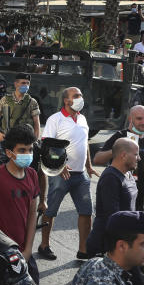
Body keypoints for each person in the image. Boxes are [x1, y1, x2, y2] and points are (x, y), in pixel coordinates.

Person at [39, 87, 98, 261]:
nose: (81, 98)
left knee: (86, 212)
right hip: (60, 174)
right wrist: (60, 165)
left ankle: (83, 250)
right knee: (50, 211)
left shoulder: (82, 118)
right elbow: (47, 146)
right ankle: (44, 245)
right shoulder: (55, 119)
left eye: (81, 95)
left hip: (81, 175)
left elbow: (84, 142)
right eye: (76, 96)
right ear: (66, 101)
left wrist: (89, 165)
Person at [0, 124, 41, 282]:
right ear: (8, 152)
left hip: (22, 252)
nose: (27, 154)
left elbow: (32, 215)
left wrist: (27, 250)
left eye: (30, 150)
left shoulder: (32, 175)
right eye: (22, 150)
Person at [92, 105, 144, 211]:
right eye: (139, 118)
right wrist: (120, 148)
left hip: (142, 200)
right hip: (122, 196)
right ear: (130, 119)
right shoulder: (120, 136)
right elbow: (97, 159)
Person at [85, 138, 140, 256]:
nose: (139, 158)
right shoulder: (110, 178)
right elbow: (113, 216)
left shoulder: (128, 173)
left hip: (122, 242)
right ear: (123, 155)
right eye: (136, 155)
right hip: (106, 246)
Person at [0, 72, 41, 142]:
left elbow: (36, 123)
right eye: (23, 83)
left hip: (25, 140)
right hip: (8, 138)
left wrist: (35, 141)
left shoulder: (32, 102)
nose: (26, 85)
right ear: (16, 84)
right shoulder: (5, 100)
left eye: (28, 83)